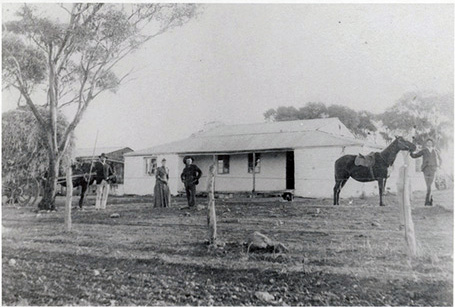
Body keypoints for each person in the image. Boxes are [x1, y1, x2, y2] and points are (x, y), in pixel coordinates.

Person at [409, 138, 442, 206]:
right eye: (428, 142)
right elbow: (415, 155)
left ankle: (428, 201)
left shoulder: (435, 151)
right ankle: (429, 201)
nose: (429, 143)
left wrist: (438, 166)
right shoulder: (424, 150)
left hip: (433, 169)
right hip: (426, 169)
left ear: (432, 143)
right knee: (428, 185)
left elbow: (440, 159)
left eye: (430, 142)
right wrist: (410, 152)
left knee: (429, 185)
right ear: (426, 143)